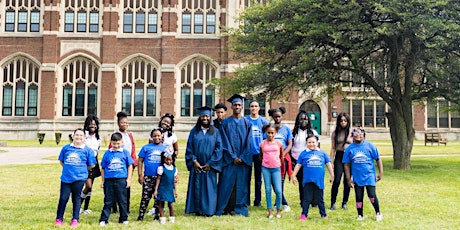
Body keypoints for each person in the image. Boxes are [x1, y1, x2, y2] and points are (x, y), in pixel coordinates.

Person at [216, 94, 253, 217]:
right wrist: (233, 157)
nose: (237, 107)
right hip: (229, 161)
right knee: (226, 184)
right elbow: (223, 142)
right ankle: (225, 208)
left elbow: (249, 142)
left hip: (243, 161)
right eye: (235, 105)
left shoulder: (247, 123)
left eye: (239, 105)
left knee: (242, 185)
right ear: (231, 106)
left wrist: (242, 157)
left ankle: (240, 209)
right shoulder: (225, 123)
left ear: (242, 107)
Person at [185, 106, 222, 216]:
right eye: (203, 116)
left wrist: (210, 163)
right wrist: (194, 161)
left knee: (209, 188)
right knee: (196, 187)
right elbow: (189, 147)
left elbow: (218, 149)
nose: (205, 118)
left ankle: (208, 210)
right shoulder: (194, 131)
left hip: (209, 166)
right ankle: (197, 209)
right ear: (199, 117)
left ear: (210, 117)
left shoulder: (216, 132)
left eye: (207, 116)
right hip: (197, 165)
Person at [55, 128, 96, 227]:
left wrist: (81, 169)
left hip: (79, 179)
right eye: (76, 135)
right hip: (66, 178)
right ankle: (59, 218)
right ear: (73, 136)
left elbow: (92, 165)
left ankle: (75, 219)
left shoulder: (87, 150)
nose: (78, 137)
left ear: (84, 138)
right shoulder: (66, 148)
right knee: (63, 198)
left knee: (76, 199)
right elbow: (62, 161)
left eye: (81, 135)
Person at [343, 127, 383, 221]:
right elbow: (346, 164)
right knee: (359, 197)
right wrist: (348, 178)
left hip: (369, 175)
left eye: (361, 134)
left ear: (364, 136)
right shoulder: (349, 149)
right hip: (357, 177)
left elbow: (378, 159)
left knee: (371, 195)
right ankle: (360, 215)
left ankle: (378, 212)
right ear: (352, 136)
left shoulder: (370, 146)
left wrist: (381, 172)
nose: (359, 136)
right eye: (356, 134)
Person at [292, 135, 334, 221]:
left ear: (317, 143)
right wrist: (293, 175)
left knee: (320, 199)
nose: (311, 144)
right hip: (308, 181)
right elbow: (298, 165)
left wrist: (332, 175)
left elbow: (328, 164)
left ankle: (323, 214)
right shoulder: (304, 153)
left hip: (319, 181)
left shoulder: (322, 153)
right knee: (306, 199)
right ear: (306, 143)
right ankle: (304, 214)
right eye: (309, 142)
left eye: (313, 142)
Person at [99, 132, 134, 226]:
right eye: (114, 144)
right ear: (111, 142)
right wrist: (103, 181)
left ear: (122, 142)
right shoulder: (107, 153)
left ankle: (123, 218)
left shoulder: (125, 152)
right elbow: (103, 168)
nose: (116, 146)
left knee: (122, 200)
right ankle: (104, 219)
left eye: (118, 143)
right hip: (109, 180)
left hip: (121, 179)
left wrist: (129, 179)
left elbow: (130, 166)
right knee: (108, 200)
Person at [137, 128, 167, 221]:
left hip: (160, 177)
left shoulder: (165, 148)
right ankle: (141, 216)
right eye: (154, 136)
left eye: (158, 135)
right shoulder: (146, 147)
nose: (156, 137)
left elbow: (170, 162)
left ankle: (157, 215)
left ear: (162, 136)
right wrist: (140, 175)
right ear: (151, 137)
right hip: (148, 177)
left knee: (158, 197)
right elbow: (140, 161)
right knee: (145, 197)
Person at [290, 110, 320, 206]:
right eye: (301, 119)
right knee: (302, 182)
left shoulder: (313, 132)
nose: (303, 121)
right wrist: (292, 161)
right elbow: (290, 147)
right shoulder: (293, 133)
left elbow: (318, 148)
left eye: (306, 119)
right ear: (298, 120)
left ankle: (314, 201)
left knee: (311, 181)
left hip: (310, 161)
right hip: (297, 161)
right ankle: (303, 201)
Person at [110, 111, 137, 214]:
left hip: (128, 164)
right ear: (118, 124)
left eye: (126, 122)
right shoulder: (116, 135)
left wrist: (133, 162)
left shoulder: (129, 135)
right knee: (115, 185)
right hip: (118, 164)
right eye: (123, 123)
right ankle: (114, 207)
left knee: (126, 185)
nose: (125, 124)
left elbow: (132, 149)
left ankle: (126, 207)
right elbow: (111, 149)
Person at [268, 107, 293, 212]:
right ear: (273, 117)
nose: (277, 118)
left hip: (283, 158)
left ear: (282, 117)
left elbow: (290, 144)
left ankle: (282, 203)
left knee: (280, 181)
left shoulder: (286, 129)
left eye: (279, 116)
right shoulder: (270, 128)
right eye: (275, 117)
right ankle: (282, 202)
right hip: (272, 157)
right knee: (273, 181)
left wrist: (283, 154)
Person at [245, 100, 268, 207]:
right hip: (248, 153)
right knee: (246, 178)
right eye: (252, 106)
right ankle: (246, 200)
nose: (254, 108)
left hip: (259, 154)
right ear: (249, 108)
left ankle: (257, 201)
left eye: (256, 106)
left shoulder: (263, 122)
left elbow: (266, 140)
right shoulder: (245, 120)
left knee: (258, 178)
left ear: (259, 108)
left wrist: (263, 152)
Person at [329, 112, 352, 210]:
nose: (343, 122)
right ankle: (333, 203)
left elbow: (357, 144)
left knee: (347, 181)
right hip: (339, 157)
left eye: (345, 121)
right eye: (341, 120)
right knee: (336, 180)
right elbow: (333, 148)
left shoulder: (352, 132)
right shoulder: (335, 133)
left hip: (349, 158)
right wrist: (331, 162)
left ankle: (344, 203)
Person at [260, 124, 283, 219]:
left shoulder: (278, 143)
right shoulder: (262, 143)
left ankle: (278, 211)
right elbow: (261, 155)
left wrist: (279, 164)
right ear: (265, 133)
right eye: (268, 133)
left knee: (278, 190)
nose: (270, 135)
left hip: (276, 169)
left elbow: (281, 155)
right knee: (268, 190)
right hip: (266, 169)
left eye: (272, 133)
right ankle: (269, 211)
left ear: (275, 133)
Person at [80, 115, 102, 214]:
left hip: (94, 162)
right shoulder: (84, 135)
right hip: (85, 163)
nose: (92, 126)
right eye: (90, 124)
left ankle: (86, 208)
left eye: (94, 124)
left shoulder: (98, 138)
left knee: (91, 186)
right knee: (87, 186)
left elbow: (97, 150)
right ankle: (78, 206)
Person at [154, 150, 178, 224]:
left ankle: (172, 218)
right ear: (163, 159)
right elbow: (158, 179)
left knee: (170, 204)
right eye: (167, 160)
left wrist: (175, 191)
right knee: (161, 203)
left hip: (170, 189)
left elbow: (174, 181)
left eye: (170, 160)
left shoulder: (174, 169)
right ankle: (162, 218)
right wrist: (156, 190)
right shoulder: (161, 168)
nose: (169, 161)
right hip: (162, 188)